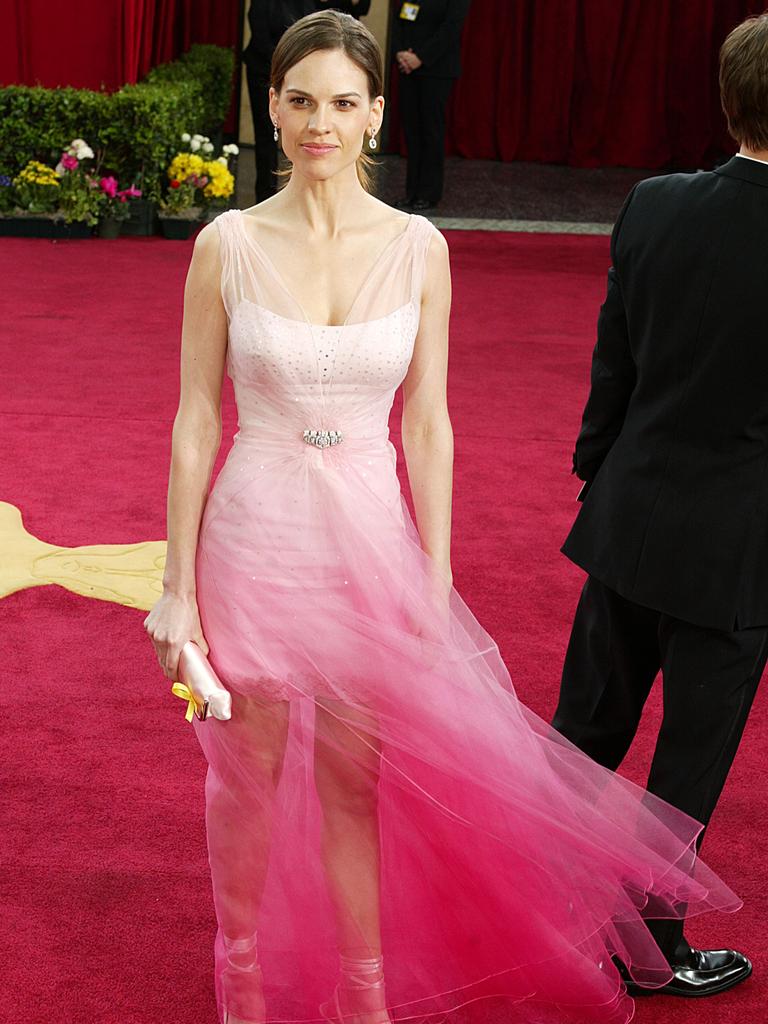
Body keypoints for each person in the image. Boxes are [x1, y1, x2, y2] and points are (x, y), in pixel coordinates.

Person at [144, 11, 742, 1024]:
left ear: (377, 112)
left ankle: (364, 999)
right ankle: (238, 978)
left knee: (350, 788)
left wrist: (433, 573)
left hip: (371, 546)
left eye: (341, 103)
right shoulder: (226, 244)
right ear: (273, 108)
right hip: (254, 540)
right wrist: (174, 591)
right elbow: (197, 417)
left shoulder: (420, 248)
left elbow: (429, 422)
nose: (318, 124)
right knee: (241, 777)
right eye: (298, 101)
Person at [553, 12, 768, 1001]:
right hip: (739, 552)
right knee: (687, 763)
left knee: (583, 732)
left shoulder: (653, 204)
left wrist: (604, 473)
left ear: (728, 100)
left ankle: (519, 896)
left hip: (633, 514)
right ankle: (653, 951)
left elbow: (618, 364)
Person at [391, 0, 471, 212]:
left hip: (437, 69)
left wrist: (421, 58)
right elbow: (400, 19)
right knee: (412, 132)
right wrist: (399, 52)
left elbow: (451, 28)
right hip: (408, 69)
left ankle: (429, 193)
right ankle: (412, 192)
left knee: (431, 132)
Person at [243, 1, 318, 202]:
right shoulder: (262, 4)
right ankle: (265, 197)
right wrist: (289, 68)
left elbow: (312, 35)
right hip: (263, 74)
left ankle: (301, 194)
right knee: (267, 135)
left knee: (305, 134)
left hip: (301, 77)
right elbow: (260, 39)